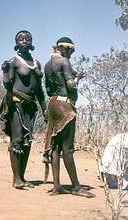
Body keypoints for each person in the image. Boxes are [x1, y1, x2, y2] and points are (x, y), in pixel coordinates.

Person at [43, 37, 95, 198]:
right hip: (64, 107)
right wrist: (77, 78)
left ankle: (57, 185)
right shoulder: (64, 61)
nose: (71, 54)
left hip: (52, 104)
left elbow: (49, 88)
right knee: (68, 149)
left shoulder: (47, 65)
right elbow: (71, 85)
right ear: (63, 48)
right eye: (71, 50)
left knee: (55, 147)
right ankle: (76, 187)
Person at [0, 30, 47, 189]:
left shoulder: (37, 63)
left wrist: (44, 109)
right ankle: (16, 179)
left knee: (27, 143)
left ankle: (23, 177)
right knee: (17, 140)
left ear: (31, 42)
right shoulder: (13, 61)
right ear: (16, 42)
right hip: (17, 103)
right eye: (21, 39)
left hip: (31, 106)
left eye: (27, 38)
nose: (24, 41)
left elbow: (39, 89)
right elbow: (8, 84)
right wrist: (5, 72)